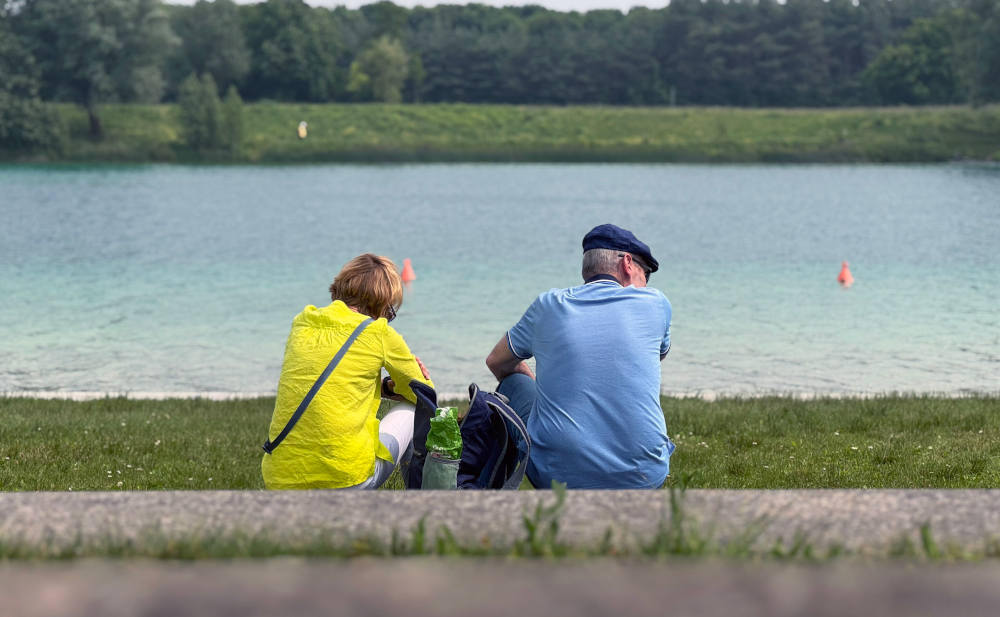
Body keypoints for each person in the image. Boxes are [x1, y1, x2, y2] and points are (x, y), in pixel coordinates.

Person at [485, 224, 675, 489]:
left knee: (513, 383)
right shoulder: (656, 303)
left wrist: (532, 382)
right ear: (628, 264)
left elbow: (496, 361)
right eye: (646, 274)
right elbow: (654, 356)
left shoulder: (548, 306)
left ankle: (487, 484)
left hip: (555, 476)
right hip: (644, 477)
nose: (646, 283)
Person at [262, 253, 433, 489]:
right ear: (383, 303)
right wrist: (413, 380)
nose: (387, 317)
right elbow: (426, 395)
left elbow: (330, 379)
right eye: (390, 311)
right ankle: (423, 501)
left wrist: (384, 388)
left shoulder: (303, 322)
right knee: (412, 410)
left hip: (280, 479)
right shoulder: (379, 332)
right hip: (345, 479)